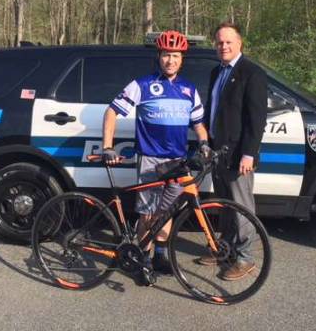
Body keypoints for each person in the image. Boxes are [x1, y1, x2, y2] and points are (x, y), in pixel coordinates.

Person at [101, 30, 209, 284]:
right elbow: (111, 112)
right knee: (148, 214)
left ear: (181, 59)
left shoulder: (189, 90)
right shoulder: (142, 85)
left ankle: (160, 254)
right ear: (158, 57)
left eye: (175, 55)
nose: (170, 60)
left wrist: (204, 142)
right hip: (150, 159)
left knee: (166, 213)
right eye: (165, 55)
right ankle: (143, 258)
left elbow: (199, 124)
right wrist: (107, 146)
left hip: (177, 161)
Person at [202, 22, 267, 281]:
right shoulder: (216, 72)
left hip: (239, 155)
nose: (223, 46)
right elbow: (213, 110)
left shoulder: (252, 73)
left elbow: (256, 118)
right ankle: (225, 248)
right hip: (218, 152)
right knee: (224, 205)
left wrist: (249, 153)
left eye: (228, 42)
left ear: (240, 43)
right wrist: (206, 141)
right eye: (219, 42)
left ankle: (245, 257)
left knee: (241, 207)